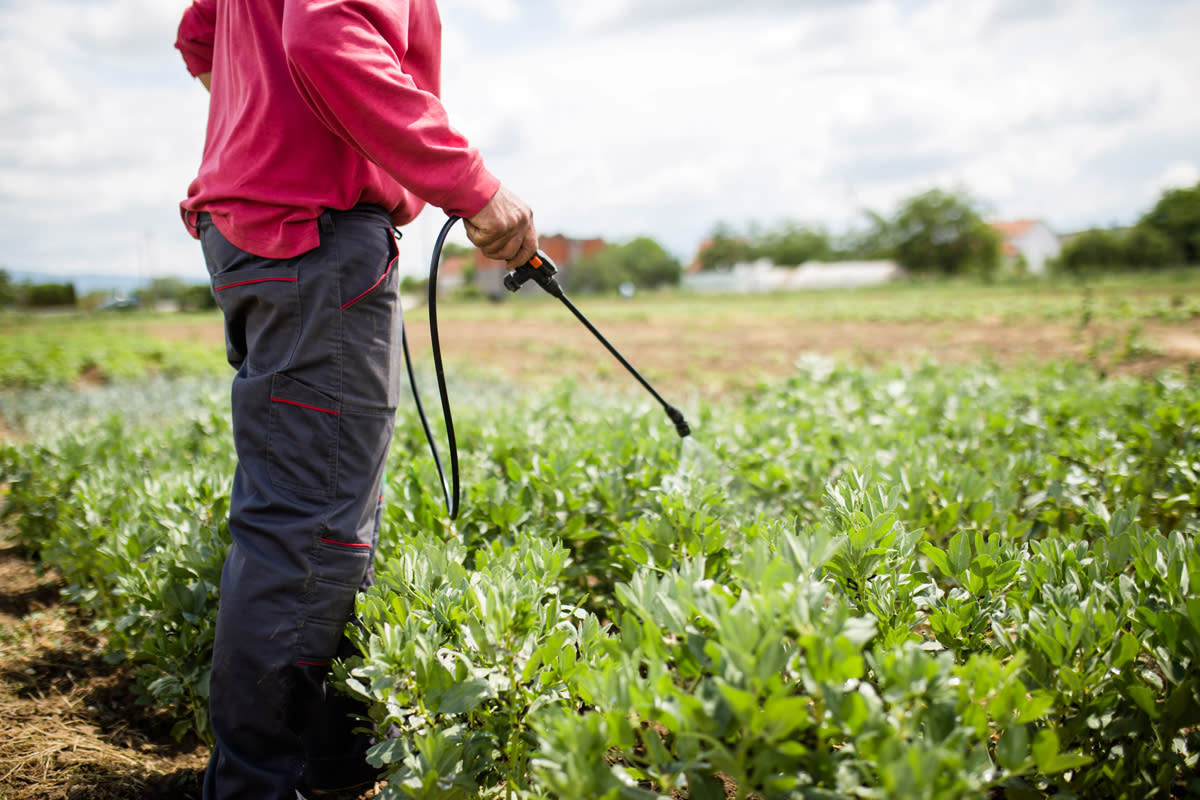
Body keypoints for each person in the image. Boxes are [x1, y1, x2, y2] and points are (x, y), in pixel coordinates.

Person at [174, 2, 538, 798]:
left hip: (258, 230)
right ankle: (262, 787)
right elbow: (323, 33)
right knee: (309, 530)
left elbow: (200, 33)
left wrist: (267, 119)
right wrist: (472, 186)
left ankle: (319, 769)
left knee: (301, 514)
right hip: (314, 233)